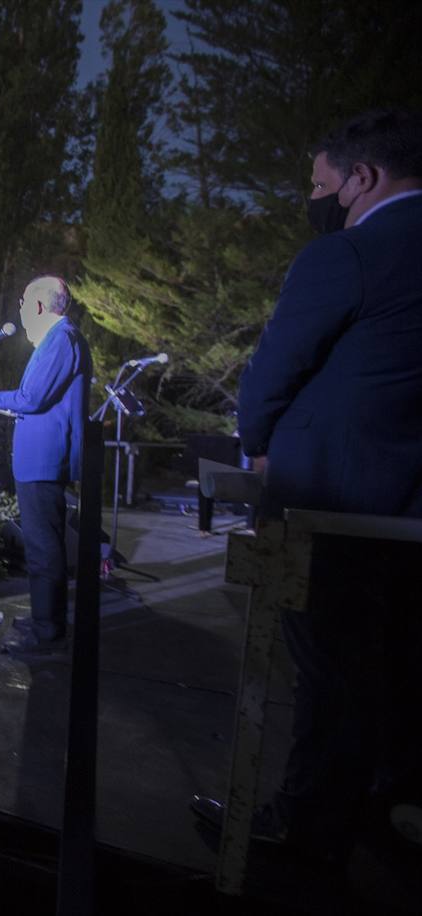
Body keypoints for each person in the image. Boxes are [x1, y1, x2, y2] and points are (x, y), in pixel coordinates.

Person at [190, 111, 422, 864]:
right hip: (407, 510)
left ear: (363, 178)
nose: (317, 198)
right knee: (392, 669)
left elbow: (271, 375)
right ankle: (381, 811)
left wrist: (257, 446)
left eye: (322, 184)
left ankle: (300, 826)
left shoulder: (347, 256)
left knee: (326, 673)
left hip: (328, 504)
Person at [0, 274, 91, 651]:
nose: (19, 310)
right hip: (39, 460)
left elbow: (32, 398)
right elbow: (31, 396)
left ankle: (47, 631)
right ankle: (43, 622)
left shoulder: (62, 339)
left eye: (22, 303)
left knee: (43, 548)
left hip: (45, 460)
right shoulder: (58, 339)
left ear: (37, 305)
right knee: (42, 546)